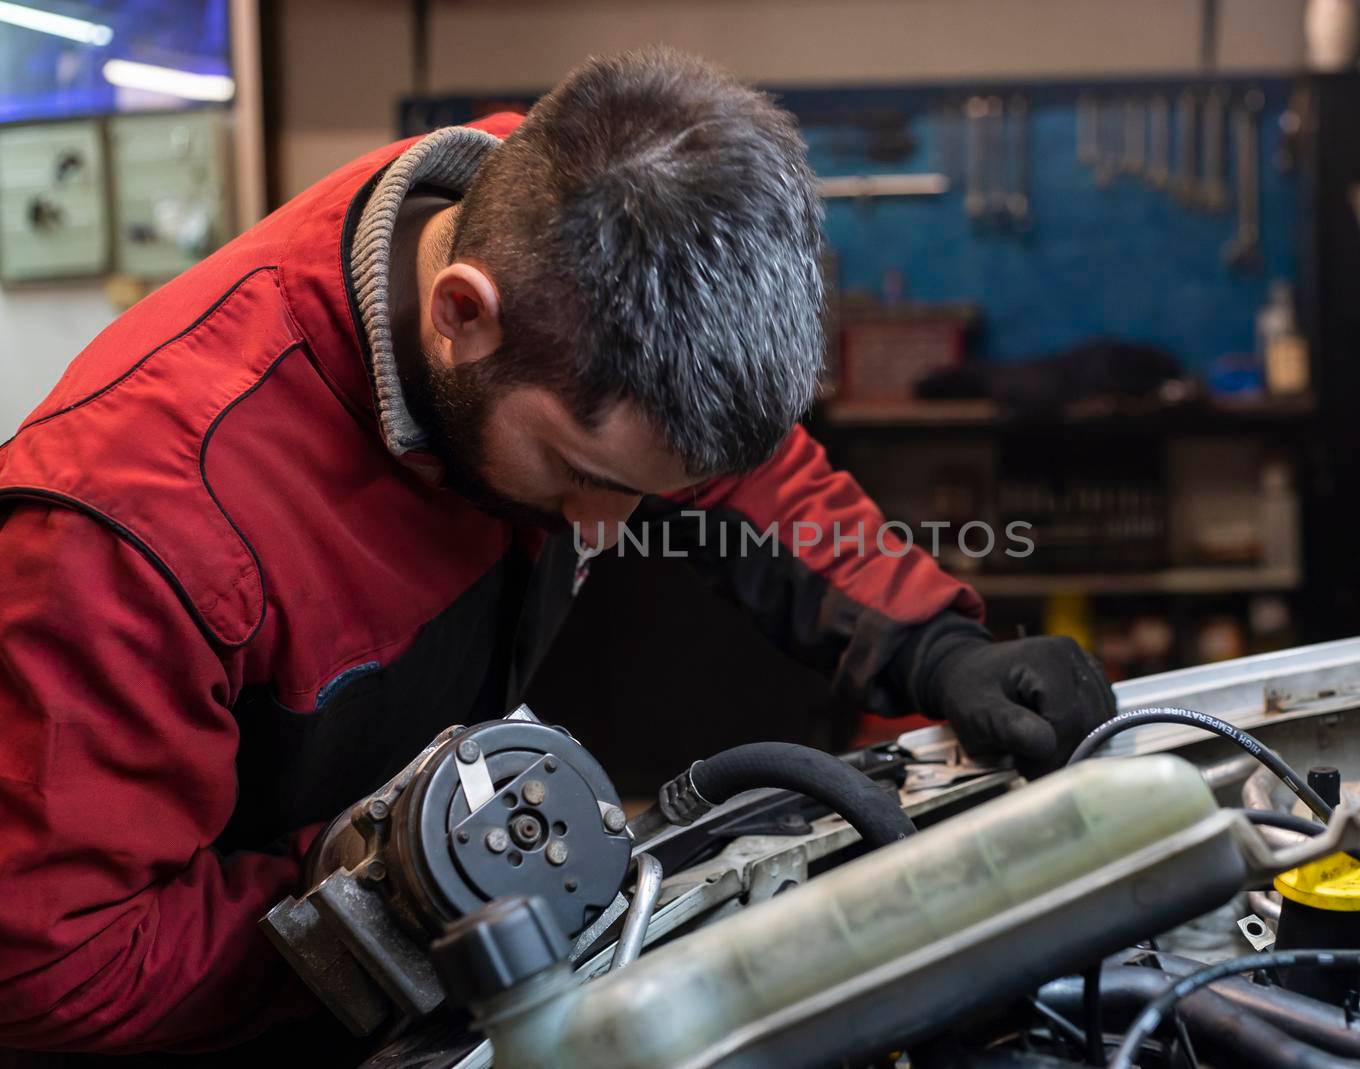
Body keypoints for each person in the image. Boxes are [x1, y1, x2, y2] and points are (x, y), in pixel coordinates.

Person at [0, 48, 1115, 1056]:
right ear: (463, 314)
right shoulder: (132, 523)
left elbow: (736, 469)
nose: (608, 525)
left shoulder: (539, 220)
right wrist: (385, 915)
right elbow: (53, 968)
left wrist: (933, 646)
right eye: (589, 475)